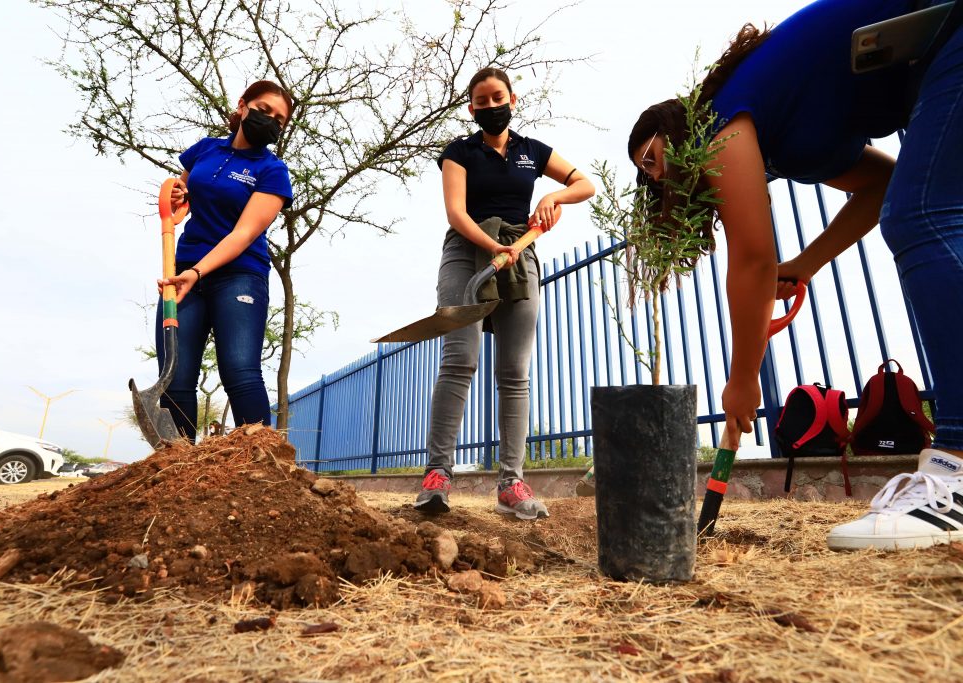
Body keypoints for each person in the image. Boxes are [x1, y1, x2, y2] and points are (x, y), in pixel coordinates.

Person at [628, 0, 963, 550]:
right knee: (919, 206)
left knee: (922, 215)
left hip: (947, 27)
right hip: (939, 60)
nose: (658, 175)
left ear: (676, 125)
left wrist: (742, 383)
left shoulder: (720, 127)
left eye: (651, 157)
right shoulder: (788, 146)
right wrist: (807, 263)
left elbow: (754, 260)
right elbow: (882, 186)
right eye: (649, 176)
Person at [413, 67, 596, 520]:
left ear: (512, 99)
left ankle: (511, 482)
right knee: (460, 358)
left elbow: (584, 184)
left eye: (499, 97)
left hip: (519, 252)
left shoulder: (532, 152)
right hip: (467, 251)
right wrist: (491, 245)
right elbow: (456, 212)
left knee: (514, 371)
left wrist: (554, 200)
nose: (491, 106)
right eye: (482, 100)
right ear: (472, 107)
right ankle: (437, 475)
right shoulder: (459, 151)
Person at [155, 80, 293, 441]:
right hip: (183, 270)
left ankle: (266, 462)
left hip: (238, 274)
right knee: (176, 373)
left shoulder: (272, 171)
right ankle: (182, 464)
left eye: (279, 119)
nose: (270, 121)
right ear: (242, 106)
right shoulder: (206, 150)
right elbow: (182, 202)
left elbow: (243, 234)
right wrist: (176, 198)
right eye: (264, 110)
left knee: (239, 371)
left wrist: (198, 271)